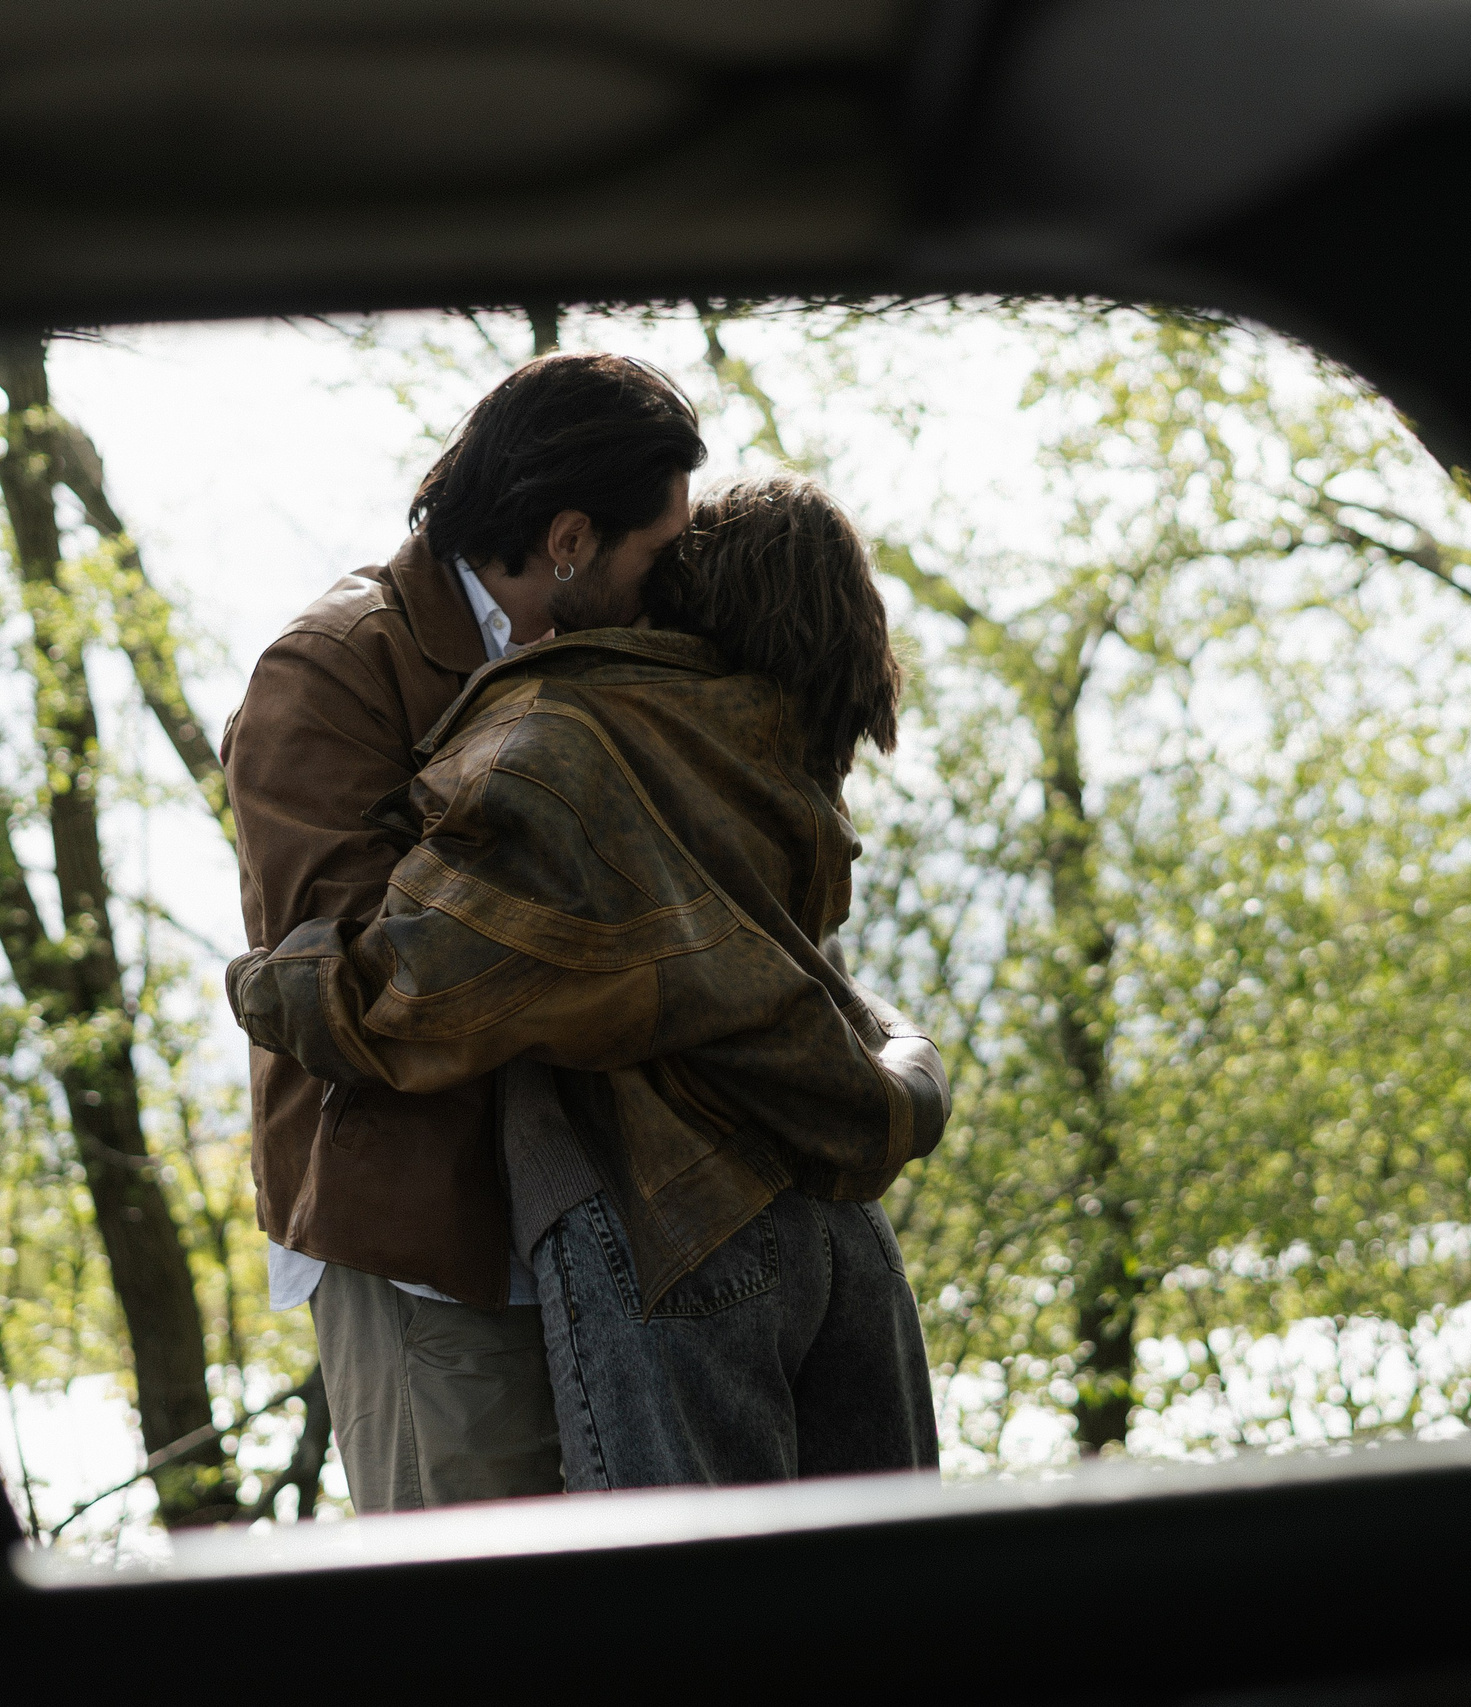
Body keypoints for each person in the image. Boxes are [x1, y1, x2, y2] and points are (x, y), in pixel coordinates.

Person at [229, 471, 948, 1488]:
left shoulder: (586, 728)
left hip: (673, 1216)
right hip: (838, 1223)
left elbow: (423, 977)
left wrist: (271, 984)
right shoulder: (787, 742)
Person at [219, 351, 704, 1512]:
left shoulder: (599, 662)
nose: (669, 585)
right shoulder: (332, 669)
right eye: (658, 553)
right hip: (427, 1247)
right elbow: (358, 984)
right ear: (573, 538)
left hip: (591, 1242)